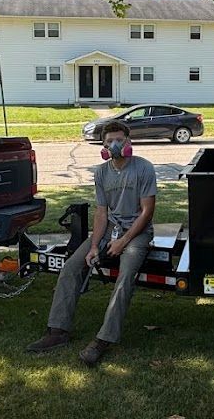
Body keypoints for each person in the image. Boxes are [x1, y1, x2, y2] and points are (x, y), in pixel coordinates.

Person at [26, 119, 157, 365]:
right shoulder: (101, 172)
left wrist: (124, 242)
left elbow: (147, 212)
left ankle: (103, 340)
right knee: (70, 268)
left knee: (125, 278)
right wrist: (95, 245)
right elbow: (101, 213)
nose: (115, 145)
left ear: (129, 142)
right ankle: (58, 330)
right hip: (109, 230)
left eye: (119, 140)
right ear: (103, 146)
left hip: (138, 233)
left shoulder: (144, 168)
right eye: (110, 142)